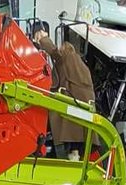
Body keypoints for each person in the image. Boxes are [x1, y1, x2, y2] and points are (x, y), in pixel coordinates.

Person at [34, 28, 96, 160]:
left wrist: (43, 38)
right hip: (85, 113)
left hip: (70, 112)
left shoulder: (68, 58)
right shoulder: (82, 66)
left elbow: (54, 52)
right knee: (77, 143)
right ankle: (75, 155)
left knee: (64, 133)